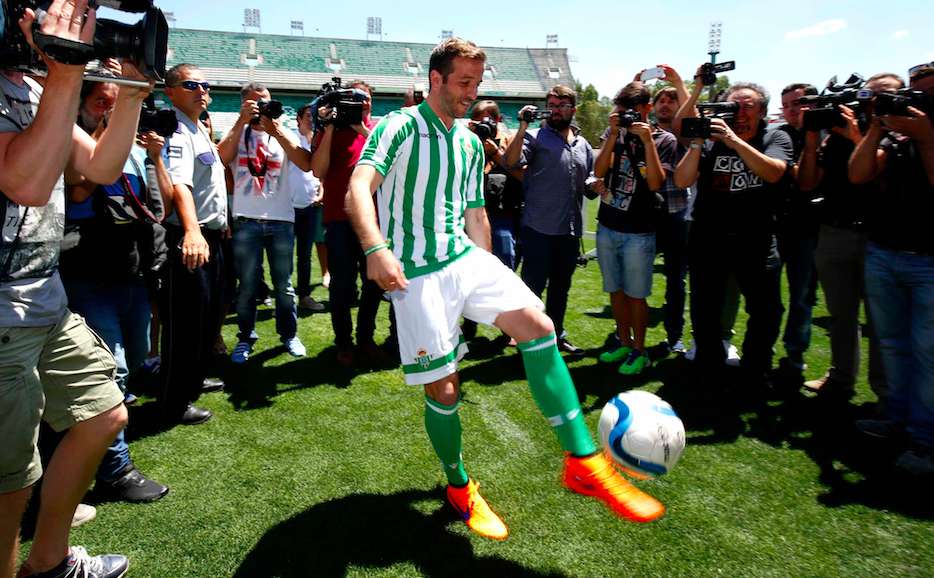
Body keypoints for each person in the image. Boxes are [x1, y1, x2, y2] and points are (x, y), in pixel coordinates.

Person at [347, 37, 665, 542]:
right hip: (416, 273)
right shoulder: (399, 126)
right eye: (463, 82)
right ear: (436, 79)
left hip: (464, 258)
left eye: (477, 83)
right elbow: (358, 188)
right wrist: (375, 248)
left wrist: (491, 276)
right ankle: (458, 486)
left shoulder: (471, 142)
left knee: (538, 325)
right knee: (445, 388)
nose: (471, 93)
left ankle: (583, 460)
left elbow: (476, 213)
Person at [0, 0, 149, 575]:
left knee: (103, 415)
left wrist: (132, 91)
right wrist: (65, 73)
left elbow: (103, 166)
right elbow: (26, 183)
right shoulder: (35, 85)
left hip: (43, 295)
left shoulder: (37, 88)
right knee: (11, 479)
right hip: (4, 311)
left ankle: (50, 561)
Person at [59, 72, 170, 503]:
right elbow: (79, 187)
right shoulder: (68, 140)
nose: (111, 110)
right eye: (104, 102)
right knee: (112, 369)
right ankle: (114, 470)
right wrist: (106, 137)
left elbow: (151, 207)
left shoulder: (135, 151)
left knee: (139, 360)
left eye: (117, 102)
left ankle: (105, 436)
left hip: (131, 271)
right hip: (87, 273)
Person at [674, 74, 792, 386]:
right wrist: (699, 141)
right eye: (733, 105)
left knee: (766, 312)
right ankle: (708, 367)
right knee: (705, 311)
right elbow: (682, 180)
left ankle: (755, 370)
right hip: (709, 239)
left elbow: (774, 172)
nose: (739, 111)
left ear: (762, 112)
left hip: (756, 239)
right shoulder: (709, 140)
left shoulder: (775, 137)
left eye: (747, 106)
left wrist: (733, 141)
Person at [849, 64, 934, 475]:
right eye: (914, 93)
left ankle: (925, 440)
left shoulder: (923, 135)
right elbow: (858, 173)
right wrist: (878, 127)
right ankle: (894, 419)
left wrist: (928, 138)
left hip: (929, 259)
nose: (918, 101)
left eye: (926, 94)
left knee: (928, 353)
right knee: (893, 344)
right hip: (884, 250)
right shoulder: (894, 137)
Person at [797, 75, 898, 403]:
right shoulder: (834, 138)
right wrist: (812, 139)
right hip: (835, 231)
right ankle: (841, 379)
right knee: (841, 315)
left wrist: (859, 135)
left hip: (878, 236)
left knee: (882, 321)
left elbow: (872, 173)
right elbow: (808, 182)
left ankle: (887, 393)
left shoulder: (893, 134)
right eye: (869, 95)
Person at [217, 82, 312, 363]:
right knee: (246, 287)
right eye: (256, 102)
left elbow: (305, 163)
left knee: (284, 286)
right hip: (246, 221)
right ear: (244, 104)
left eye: (266, 101)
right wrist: (241, 121)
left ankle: (289, 335)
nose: (262, 107)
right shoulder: (237, 133)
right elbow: (221, 157)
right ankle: (245, 338)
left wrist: (277, 130)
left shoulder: (282, 133)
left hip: (281, 220)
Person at [159, 63, 228, 425]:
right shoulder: (175, 129)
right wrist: (191, 231)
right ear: (170, 91)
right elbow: (179, 185)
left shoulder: (197, 127)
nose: (202, 90)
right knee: (185, 323)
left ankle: (193, 378)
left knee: (207, 316)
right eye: (191, 84)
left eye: (205, 84)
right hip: (192, 237)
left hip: (211, 236)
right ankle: (174, 401)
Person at [504, 85, 594, 356]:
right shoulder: (535, 136)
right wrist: (521, 127)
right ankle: (527, 339)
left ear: (572, 109)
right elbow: (510, 162)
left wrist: (594, 184)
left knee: (560, 289)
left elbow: (588, 179)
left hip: (568, 230)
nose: (555, 110)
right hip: (538, 228)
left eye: (561, 105)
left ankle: (556, 335)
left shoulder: (583, 144)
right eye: (552, 104)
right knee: (532, 288)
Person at [593, 81, 676, 375]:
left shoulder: (663, 140)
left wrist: (647, 142)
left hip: (640, 230)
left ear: (647, 109)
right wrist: (614, 133)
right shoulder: (614, 134)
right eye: (623, 109)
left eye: (634, 110)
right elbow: (599, 171)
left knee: (636, 294)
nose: (628, 115)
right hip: (609, 223)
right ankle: (623, 341)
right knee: (615, 290)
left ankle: (640, 349)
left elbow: (656, 183)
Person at [311, 80, 389, 367]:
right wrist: (331, 127)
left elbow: (393, 165)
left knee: (373, 285)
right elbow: (318, 169)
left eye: (365, 98)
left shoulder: (380, 128)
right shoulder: (329, 129)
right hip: (339, 218)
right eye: (354, 98)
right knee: (341, 286)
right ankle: (343, 342)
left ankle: (365, 340)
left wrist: (362, 130)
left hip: (374, 219)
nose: (360, 103)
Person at [773, 83, 820, 385]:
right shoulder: (776, 136)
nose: (793, 109)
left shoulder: (827, 135)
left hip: (808, 230)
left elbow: (807, 182)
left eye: (800, 102)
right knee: (766, 298)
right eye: (787, 104)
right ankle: (761, 351)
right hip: (774, 227)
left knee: (802, 297)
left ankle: (794, 355)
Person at [646, 68, 692, 356]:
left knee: (676, 280)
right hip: (646, 214)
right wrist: (637, 82)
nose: (665, 104)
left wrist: (679, 83)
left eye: (671, 100)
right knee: (633, 277)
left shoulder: (684, 132)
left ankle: (675, 335)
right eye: (661, 100)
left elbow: (689, 118)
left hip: (675, 214)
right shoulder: (647, 131)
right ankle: (625, 332)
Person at [290, 104, 328, 309]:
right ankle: (284, 297)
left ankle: (304, 295)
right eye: (307, 116)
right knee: (285, 255)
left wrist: (321, 188)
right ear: (297, 118)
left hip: (310, 206)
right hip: (287, 207)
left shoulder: (317, 139)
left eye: (313, 116)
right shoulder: (290, 138)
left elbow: (320, 169)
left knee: (304, 255)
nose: (311, 119)